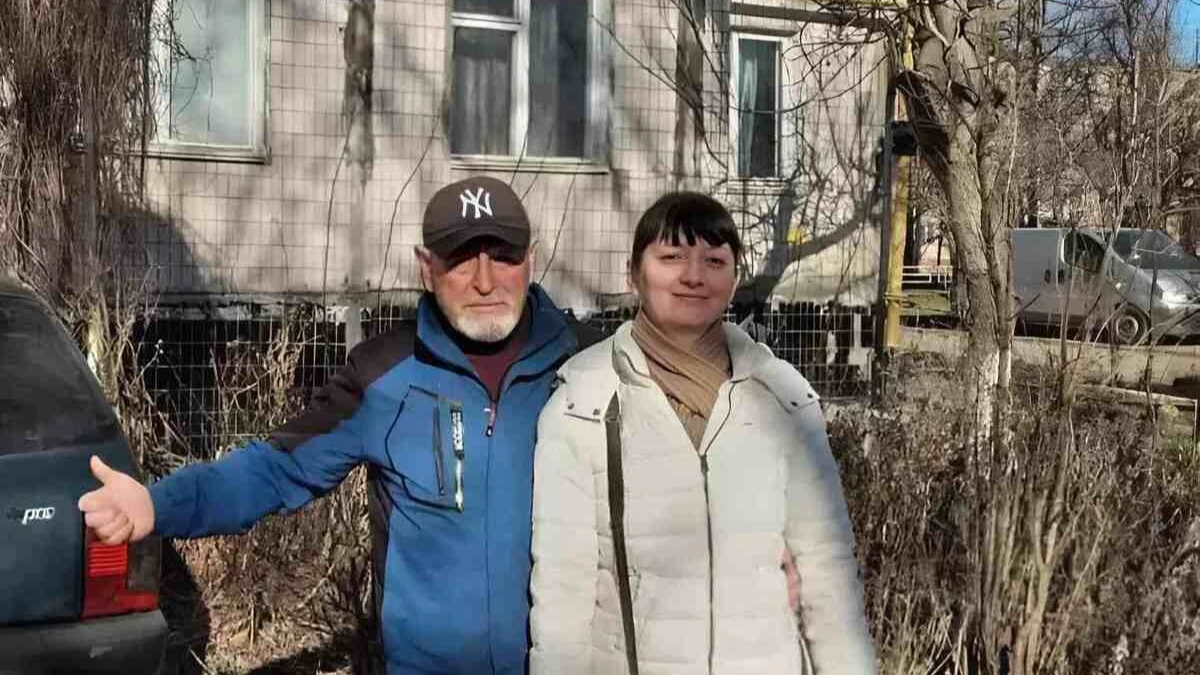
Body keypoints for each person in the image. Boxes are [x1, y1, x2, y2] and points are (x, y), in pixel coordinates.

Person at [77, 176, 600, 675]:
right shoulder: (383, 376)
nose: (485, 281)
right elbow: (276, 470)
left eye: (504, 256)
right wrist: (157, 504)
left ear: (531, 260)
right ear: (426, 268)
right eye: (461, 258)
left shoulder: (587, 368)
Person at [528, 192, 876, 674]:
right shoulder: (582, 403)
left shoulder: (783, 398)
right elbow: (562, 590)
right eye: (671, 257)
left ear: (734, 279)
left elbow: (826, 567)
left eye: (714, 261)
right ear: (633, 274)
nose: (693, 276)